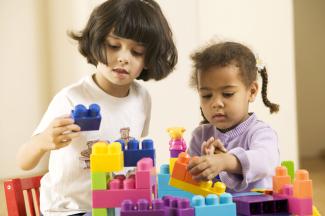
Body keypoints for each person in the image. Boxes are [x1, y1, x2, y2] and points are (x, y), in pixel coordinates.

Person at [17, 0, 177, 215]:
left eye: (137, 51)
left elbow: (136, 159)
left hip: (120, 206)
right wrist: (43, 141)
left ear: (148, 59)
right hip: (71, 210)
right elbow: (24, 161)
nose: (123, 58)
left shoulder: (142, 98)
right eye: (113, 46)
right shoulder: (71, 98)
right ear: (96, 43)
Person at [187, 41, 280, 193]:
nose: (216, 103)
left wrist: (225, 161)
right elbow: (189, 180)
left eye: (227, 94)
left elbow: (265, 161)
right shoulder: (200, 136)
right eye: (206, 95)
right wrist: (201, 165)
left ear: (251, 91)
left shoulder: (260, 133)